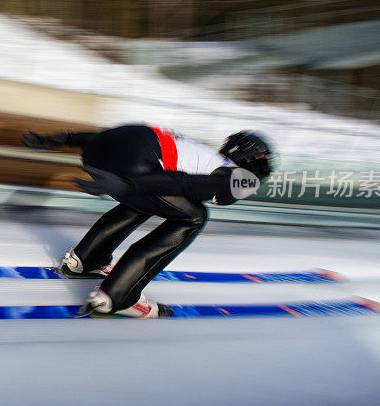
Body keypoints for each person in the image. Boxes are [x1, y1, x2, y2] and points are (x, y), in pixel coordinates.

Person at [22, 124, 274, 318]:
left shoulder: (203, 153)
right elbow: (183, 183)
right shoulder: (236, 180)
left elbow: (126, 139)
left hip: (99, 150)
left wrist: (64, 139)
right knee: (195, 216)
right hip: (130, 166)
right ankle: (118, 297)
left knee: (152, 198)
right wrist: (130, 184)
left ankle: (86, 260)